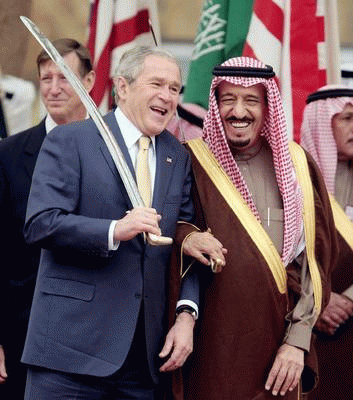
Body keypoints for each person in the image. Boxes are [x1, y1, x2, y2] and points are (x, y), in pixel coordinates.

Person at [21, 45, 225, 399]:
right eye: (157, 84)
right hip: (68, 357)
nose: (168, 96)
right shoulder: (71, 140)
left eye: (175, 88)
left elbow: (184, 240)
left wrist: (186, 315)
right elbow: (41, 223)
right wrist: (115, 230)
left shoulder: (177, 156)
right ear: (123, 87)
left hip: (144, 363)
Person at [168, 57, 338, 400]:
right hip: (211, 347)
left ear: (267, 106)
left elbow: (315, 264)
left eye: (251, 100)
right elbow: (167, 229)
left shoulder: (297, 166)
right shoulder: (191, 161)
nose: (239, 111)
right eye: (228, 99)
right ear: (215, 105)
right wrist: (187, 237)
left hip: (279, 347)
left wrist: (298, 342)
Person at [0, 38, 96, 399]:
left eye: (65, 77)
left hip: (99, 339)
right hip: (23, 336)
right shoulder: (8, 155)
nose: (53, 89)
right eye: (46, 78)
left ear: (89, 82)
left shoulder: (120, 152)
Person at [301, 85, 353, 400]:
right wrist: (319, 302)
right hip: (308, 324)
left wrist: (347, 299)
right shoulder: (296, 178)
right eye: (347, 118)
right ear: (323, 122)